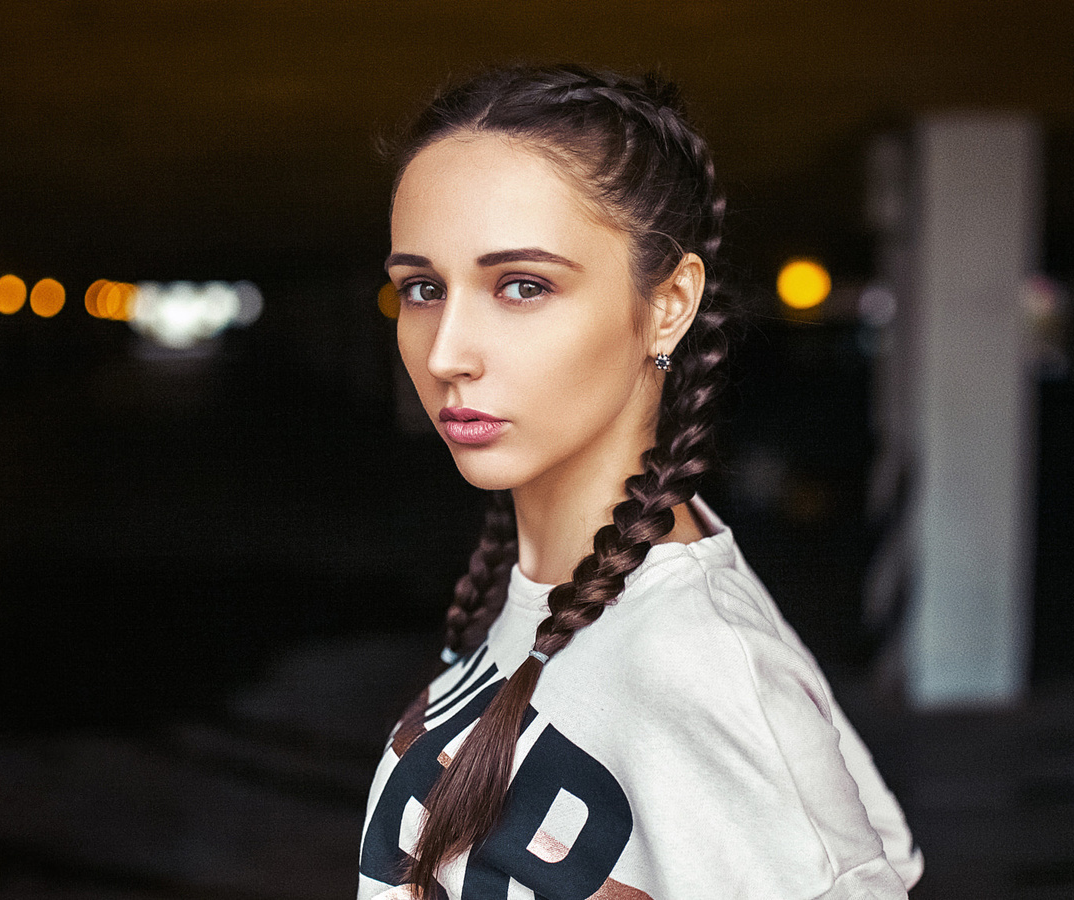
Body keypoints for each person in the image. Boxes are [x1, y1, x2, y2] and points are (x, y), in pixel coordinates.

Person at [360, 64, 923, 900]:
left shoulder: (699, 664)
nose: (445, 354)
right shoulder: (543, 590)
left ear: (668, 305)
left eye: (522, 286)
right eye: (423, 289)